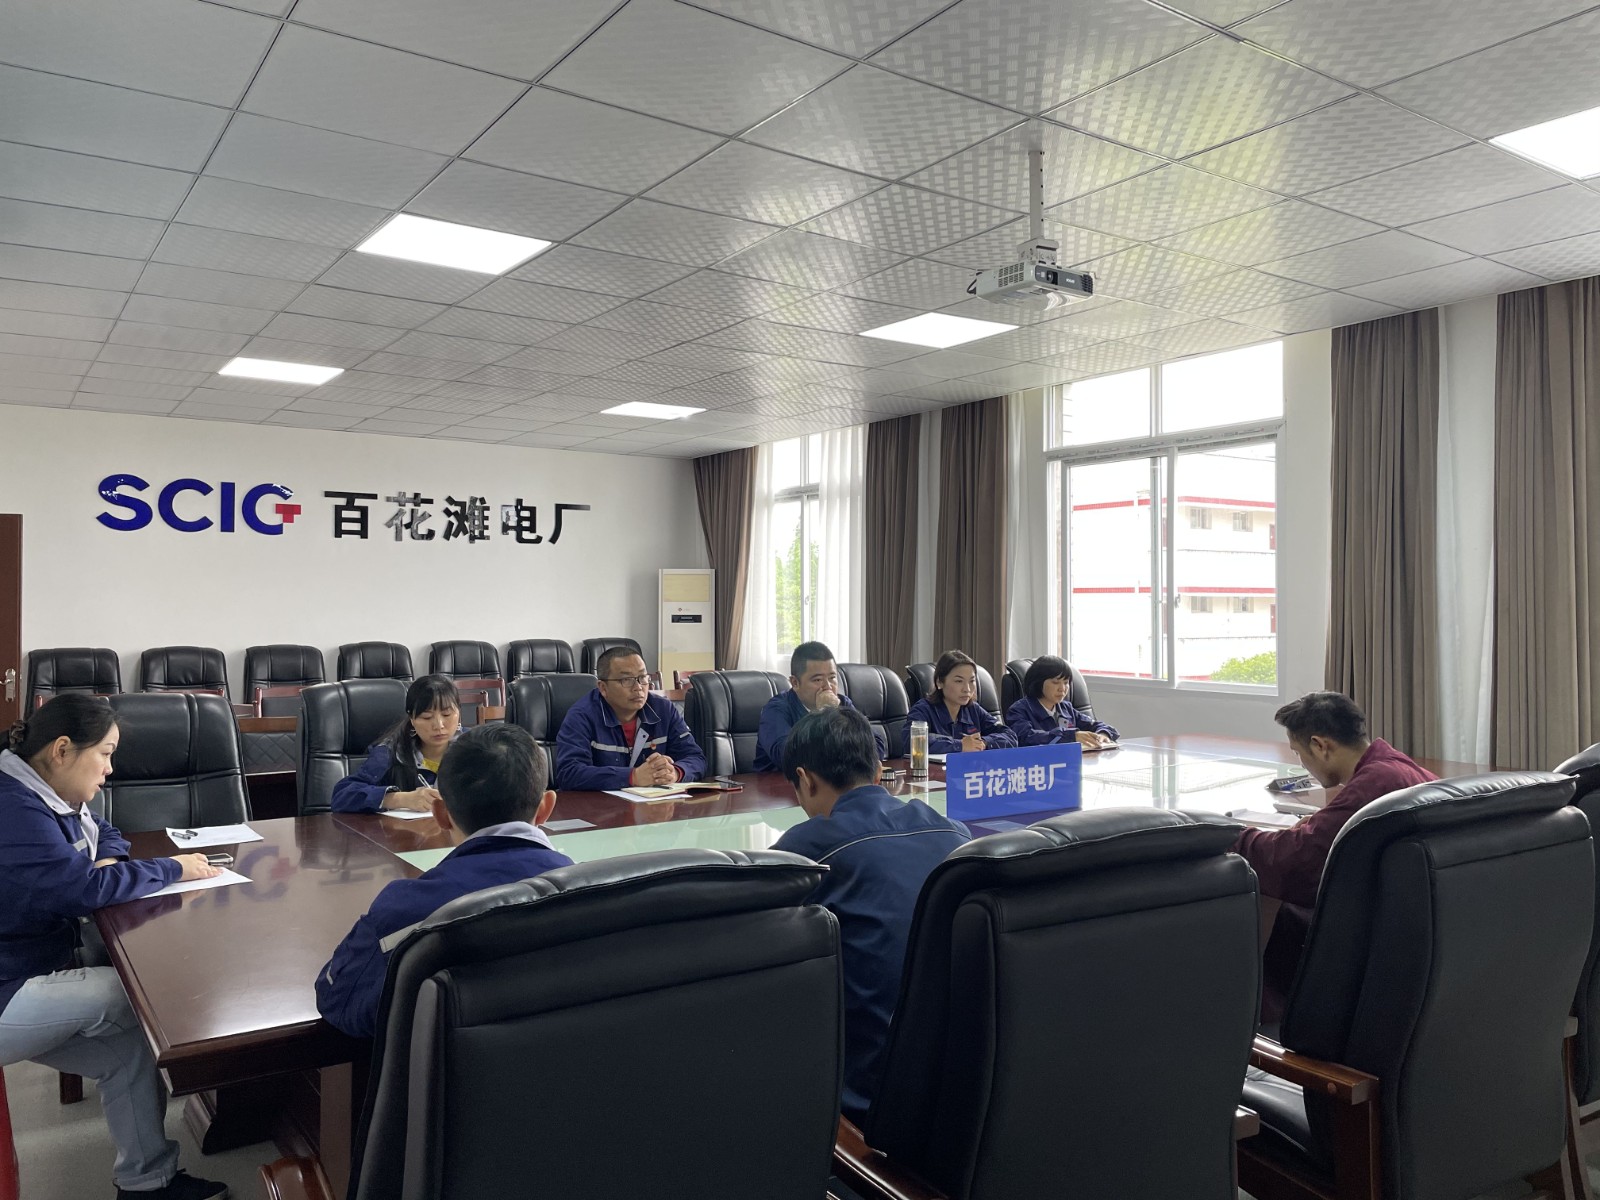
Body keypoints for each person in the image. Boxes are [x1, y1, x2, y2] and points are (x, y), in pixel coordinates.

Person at [0, 695, 228, 1200]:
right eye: (104, 754)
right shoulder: (13, 807)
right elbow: (79, 891)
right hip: (8, 986)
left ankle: (147, 1183)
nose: (110, 769)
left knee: (127, 1047)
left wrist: (105, 866)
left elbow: (105, 832)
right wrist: (173, 867)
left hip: (25, 973)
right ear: (62, 749)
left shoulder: (47, 791)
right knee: (128, 994)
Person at [773, 706, 969, 1121]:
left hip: (872, 1095)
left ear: (805, 780)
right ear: (878, 771)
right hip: (968, 1077)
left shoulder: (807, 850)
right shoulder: (952, 829)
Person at [316, 723, 574, 1038]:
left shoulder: (407, 911)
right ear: (546, 808)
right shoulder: (589, 891)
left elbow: (338, 997)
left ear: (440, 814)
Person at [1236, 691, 1436, 909]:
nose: (1301, 764)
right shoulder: (1398, 768)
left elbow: (1293, 862)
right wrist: (1325, 823)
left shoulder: (1373, 785)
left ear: (1319, 746)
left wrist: (1232, 836)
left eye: (1298, 752)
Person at [555, 647, 706, 791]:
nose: (638, 687)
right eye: (626, 680)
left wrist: (675, 772)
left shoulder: (663, 710)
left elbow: (696, 757)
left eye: (642, 677)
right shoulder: (582, 716)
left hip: (652, 804)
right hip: (599, 807)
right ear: (603, 688)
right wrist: (632, 777)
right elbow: (569, 773)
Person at [331, 675, 461, 813]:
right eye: (427, 717)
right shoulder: (391, 752)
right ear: (412, 719)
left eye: (447, 714)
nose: (439, 725)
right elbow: (341, 796)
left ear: (459, 712)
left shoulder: (473, 746)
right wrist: (400, 799)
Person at [753, 641, 887, 772]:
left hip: (833, 783)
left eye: (832, 678)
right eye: (818, 680)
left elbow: (876, 747)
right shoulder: (776, 710)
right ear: (795, 683)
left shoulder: (842, 703)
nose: (828, 686)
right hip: (778, 785)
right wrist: (825, 714)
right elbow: (788, 759)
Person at [903, 650, 1017, 756]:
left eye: (972, 681)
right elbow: (912, 741)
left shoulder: (973, 709)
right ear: (939, 682)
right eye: (959, 681)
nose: (967, 689)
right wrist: (960, 745)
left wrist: (983, 742)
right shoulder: (923, 710)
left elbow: (1010, 736)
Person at [1004, 655, 1118, 749]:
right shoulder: (1019, 710)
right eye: (1055, 682)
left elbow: (1097, 725)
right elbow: (1025, 738)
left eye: (1066, 682)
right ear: (1038, 683)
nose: (1062, 688)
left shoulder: (1065, 708)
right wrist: (1070, 736)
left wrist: (1103, 734)